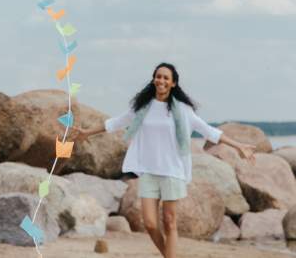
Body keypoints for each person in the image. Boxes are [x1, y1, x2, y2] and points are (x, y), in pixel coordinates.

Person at [68, 62, 255, 258]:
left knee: (169, 221)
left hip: (172, 171)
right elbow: (117, 122)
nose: (161, 80)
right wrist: (87, 133)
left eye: (166, 78)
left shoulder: (183, 110)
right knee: (149, 223)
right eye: (158, 76)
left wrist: (239, 146)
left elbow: (208, 130)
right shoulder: (143, 107)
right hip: (149, 171)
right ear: (154, 79)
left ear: (173, 83)